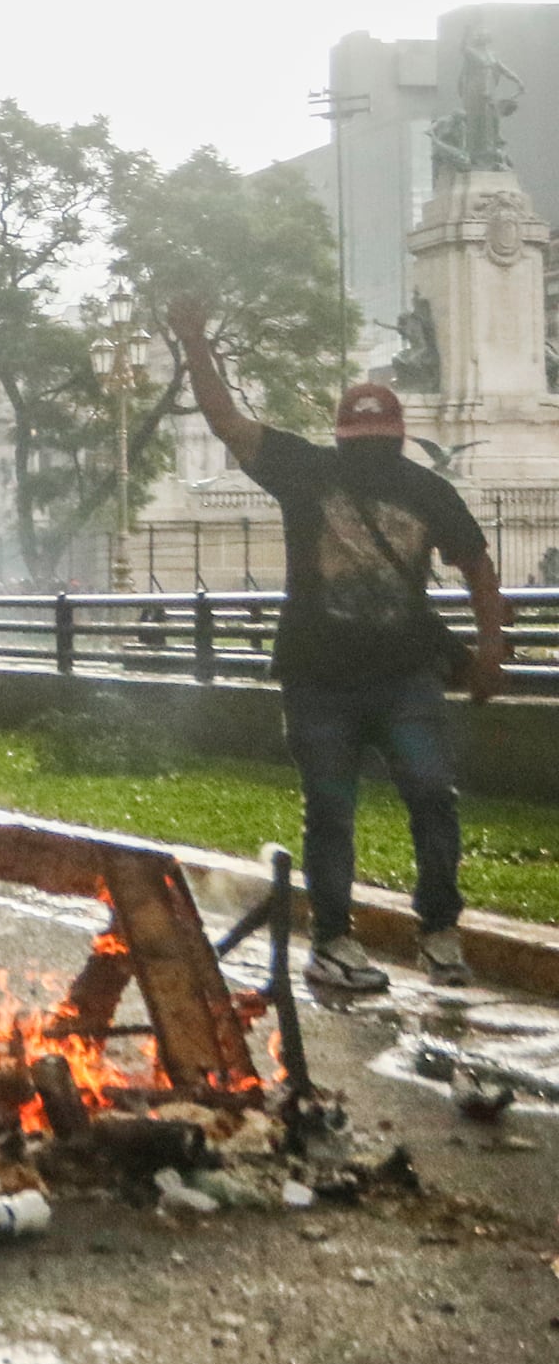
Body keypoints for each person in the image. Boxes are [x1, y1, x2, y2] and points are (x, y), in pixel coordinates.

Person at [180, 314, 506, 989]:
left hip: (374, 678)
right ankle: (367, 939)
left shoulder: (366, 480)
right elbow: (478, 567)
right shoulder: (365, 479)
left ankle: (409, 934)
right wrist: (489, 650)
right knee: (386, 803)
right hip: (336, 680)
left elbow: (476, 564)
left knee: (381, 804)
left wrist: (493, 642)